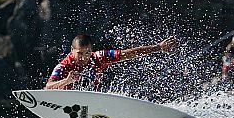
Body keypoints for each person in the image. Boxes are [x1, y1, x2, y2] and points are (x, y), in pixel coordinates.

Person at [46, 34, 178, 90]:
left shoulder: (98, 57)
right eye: (79, 53)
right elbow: (47, 87)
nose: (83, 57)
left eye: (87, 53)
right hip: (68, 105)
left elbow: (129, 53)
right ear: (72, 50)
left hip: (91, 103)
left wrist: (158, 47)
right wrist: (66, 81)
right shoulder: (64, 66)